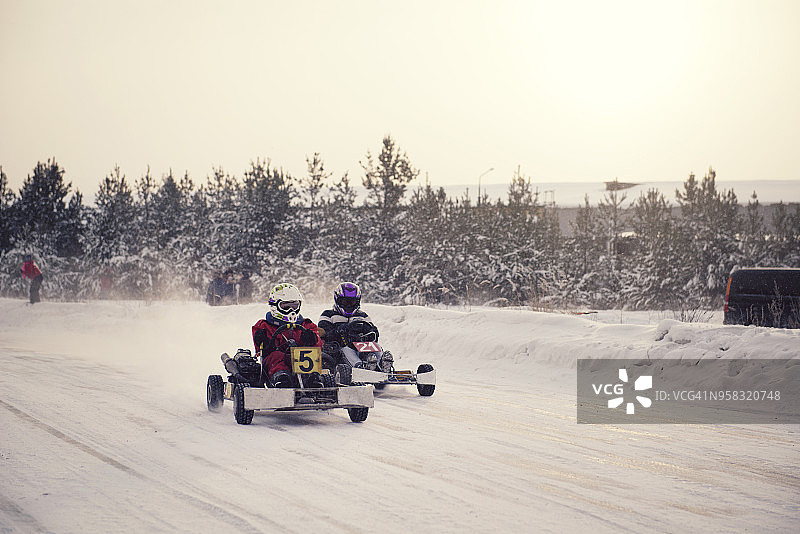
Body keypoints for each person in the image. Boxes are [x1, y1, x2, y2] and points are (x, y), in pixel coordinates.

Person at [252, 283, 324, 388]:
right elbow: (261, 349)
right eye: (286, 306)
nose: (291, 310)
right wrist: (264, 342)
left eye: (294, 306)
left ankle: (312, 380)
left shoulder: (307, 325)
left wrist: (312, 339)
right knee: (277, 356)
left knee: (309, 353)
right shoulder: (263, 326)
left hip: (303, 363)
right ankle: (282, 378)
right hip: (274, 366)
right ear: (274, 306)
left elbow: (319, 346)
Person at [318, 282, 393, 372]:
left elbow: (374, 332)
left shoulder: (362, 316)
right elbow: (324, 334)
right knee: (346, 350)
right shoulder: (328, 315)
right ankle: (359, 367)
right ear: (338, 300)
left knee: (375, 345)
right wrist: (340, 330)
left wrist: (371, 333)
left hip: (361, 347)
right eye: (345, 302)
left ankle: (382, 365)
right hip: (339, 349)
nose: (349, 305)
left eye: (352, 302)